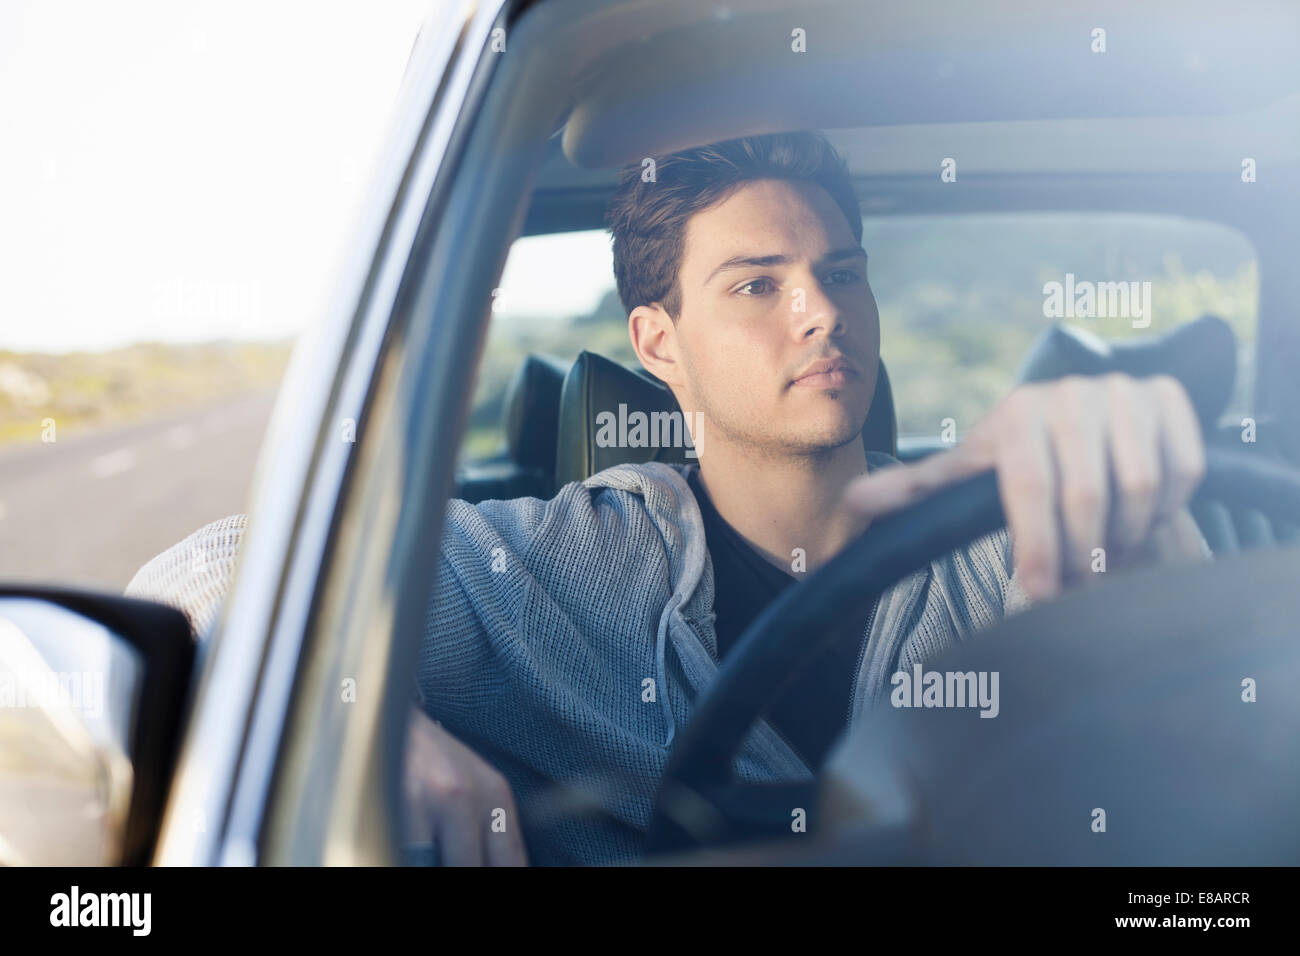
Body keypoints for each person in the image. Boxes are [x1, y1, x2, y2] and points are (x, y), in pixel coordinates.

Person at [128, 131, 1208, 866]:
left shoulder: (1015, 538)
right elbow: (212, 565)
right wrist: (352, 706)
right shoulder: (549, 567)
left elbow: (1204, 724)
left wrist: (1137, 500)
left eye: (843, 270)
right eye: (757, 284)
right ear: (659, 344)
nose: (822, 311)